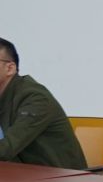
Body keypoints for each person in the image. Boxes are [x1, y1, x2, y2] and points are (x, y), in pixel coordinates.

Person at [0, 38, 86, 168]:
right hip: (20, 175)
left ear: (10, 68)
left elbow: (6, 149)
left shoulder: (35, 98)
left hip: (58, 178)